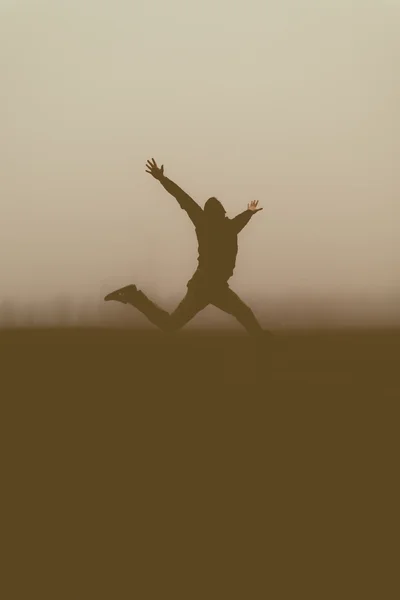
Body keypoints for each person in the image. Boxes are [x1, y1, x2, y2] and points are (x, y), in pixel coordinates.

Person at [104, 158, 267, 336]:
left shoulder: (208, 223)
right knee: (242, 313)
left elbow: (182, 196)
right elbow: (183, 197)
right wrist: (249, 212)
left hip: (209, 285)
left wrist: (162, 179)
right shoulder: (225, 226)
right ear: (222, 212)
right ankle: (133, 296)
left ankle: (134, 296)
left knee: (173, 324)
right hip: (206, 286)